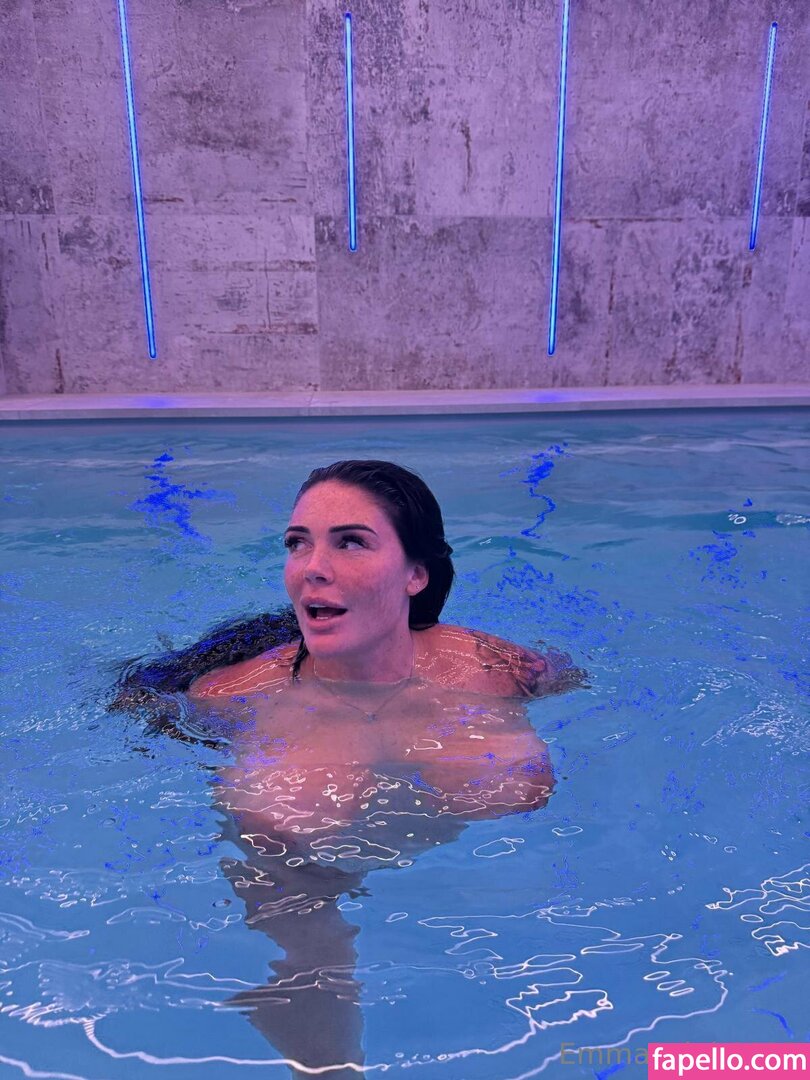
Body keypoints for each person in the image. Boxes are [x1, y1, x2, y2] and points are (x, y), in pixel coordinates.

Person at [110, 459, 587, 1077]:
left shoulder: (490, 667)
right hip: (307, 913)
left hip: (498, 930)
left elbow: (578, 685)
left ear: (416, 574)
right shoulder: (233, 699)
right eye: (297, 544)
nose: (312, 566)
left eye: (351, 542)